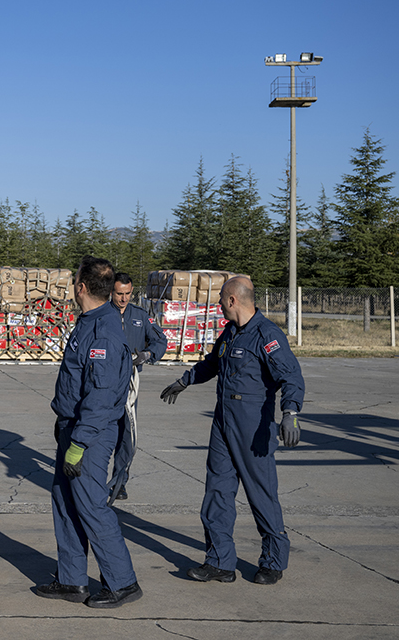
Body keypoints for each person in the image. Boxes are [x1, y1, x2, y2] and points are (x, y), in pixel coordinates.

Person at [160, 276, 304, 585]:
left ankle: (273, 561)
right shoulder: (231, 332)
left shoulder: (266, 335)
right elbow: (213, 363)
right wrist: (186, 380)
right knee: (218, 492)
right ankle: (220, 561)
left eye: (221, 300)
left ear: (232, 301)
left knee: (261, 494)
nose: (218, 306)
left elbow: (291, 376)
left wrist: (290, 412)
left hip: (253, 426)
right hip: (223, 420)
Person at [36, 256, 143, 608]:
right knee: (66, 502)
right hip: (73, 427)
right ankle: (72, 579)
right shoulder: (90, 321)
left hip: (90, 436)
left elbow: (100, 397)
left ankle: (123, 583)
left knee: (92, 507)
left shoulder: (104, 331)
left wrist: (79, 443)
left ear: (81, 287)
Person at [109, 272, 167, 501]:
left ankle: (119, 482)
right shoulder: (101, 314)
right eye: (119, 294)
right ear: (111, 292)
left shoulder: (140, 316)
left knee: (126, 435)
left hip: (130, 384)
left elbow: (160, 341)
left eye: (127, 294)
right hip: (104, 383)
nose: (123, 298)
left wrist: (148, 354)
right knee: (103, 431)